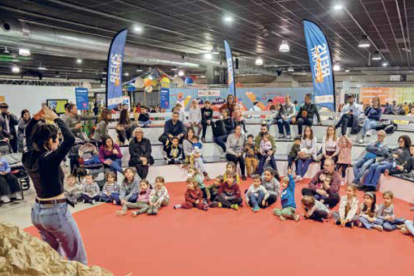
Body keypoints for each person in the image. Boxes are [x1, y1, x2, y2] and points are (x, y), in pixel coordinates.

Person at [22, 106, 87, 264]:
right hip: (55, 213)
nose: (58, 143)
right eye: (56, 139)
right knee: (76, 257)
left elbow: (28, 134)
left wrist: (36, 118)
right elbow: (70, 139)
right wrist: (56, 118)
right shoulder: (49, 159)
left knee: (52, 258)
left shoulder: (27, 156)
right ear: (48, 141)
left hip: (37, 213)